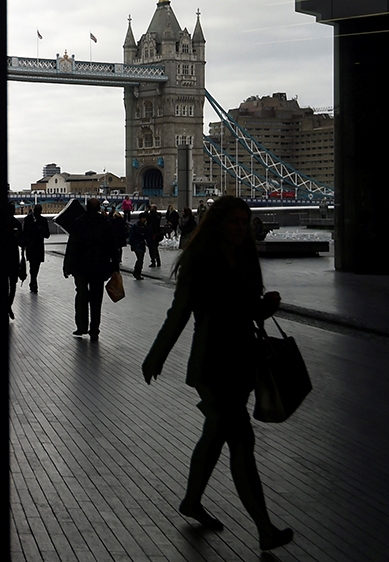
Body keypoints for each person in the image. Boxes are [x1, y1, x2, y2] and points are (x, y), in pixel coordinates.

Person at [142, 196, 293, 553]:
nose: (241, 228)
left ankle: (192, 501)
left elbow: (245, 310)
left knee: (215, 437)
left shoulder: (245, 257)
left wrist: (263, 307)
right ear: (217, 223)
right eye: (234, 221)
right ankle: (264, 528)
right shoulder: (199, 259)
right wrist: (156, 355)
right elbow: (179, 312)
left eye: (245, 221)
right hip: (211, 364)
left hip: (241, 361)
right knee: (242, 442)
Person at [63, 198, 118, 341]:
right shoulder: (106, 224)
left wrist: (67, 266)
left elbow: (72, 246)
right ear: (99, 208)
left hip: (80, 267)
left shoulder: (78, 223)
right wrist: (115, 267)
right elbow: (113, 247)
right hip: (99, 268)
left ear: (86, 208)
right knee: (96, 299)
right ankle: (94, 329)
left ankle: (81, 326)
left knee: (81, 295)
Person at [22, 204, 50, 293]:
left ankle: (33, 281)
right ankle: (33, 282)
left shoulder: (37, 220)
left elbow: (47, 235)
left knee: (35, 266)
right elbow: (25, 233)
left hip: (36, 247)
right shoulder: (30, 220)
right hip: (33, 247)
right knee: (34, 265)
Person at [128, 213, 150, 280]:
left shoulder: (145, 227)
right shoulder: (135, 226)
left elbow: (147, 236)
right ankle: (137, 273)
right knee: (140, 259)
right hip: (137, 244)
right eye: (143, 218)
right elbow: (131, 236)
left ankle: (137, 272)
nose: (144, 220)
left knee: (141, 259)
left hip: (141, 244)